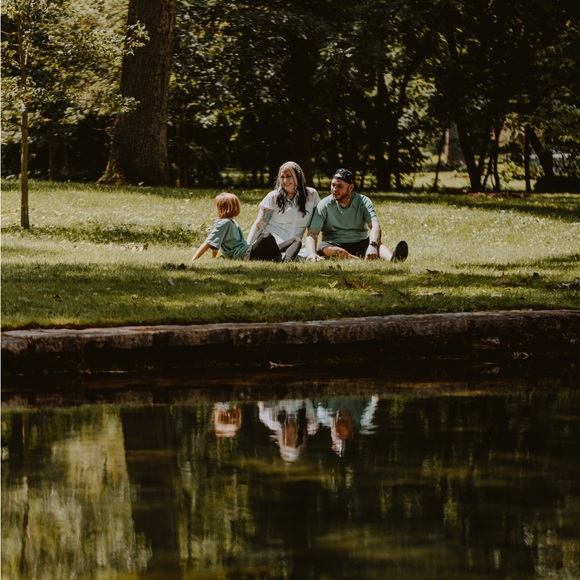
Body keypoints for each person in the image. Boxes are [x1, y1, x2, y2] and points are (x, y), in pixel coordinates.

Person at [304, 168, 408, 261]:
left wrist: (372, 245)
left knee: (377, 244)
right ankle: (357, 259)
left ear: (351, 187)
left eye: (340, 186)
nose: (334, 189)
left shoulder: (363, 201)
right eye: (333, 185)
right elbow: (312, 233)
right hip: (334, 244)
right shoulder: (324, 204)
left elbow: (375, 226)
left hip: (359, 243)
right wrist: (312, 253)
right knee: (325, 248)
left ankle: (392, 258)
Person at [247, 161, 320, 261]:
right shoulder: (273, 197)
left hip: (293, 246)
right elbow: (259, 225)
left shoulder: (312, 195)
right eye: (282, 177)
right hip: (271, 244)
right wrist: (247, 247)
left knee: (301, 247)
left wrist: (312, 252)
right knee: (270, 241)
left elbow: (313, 229)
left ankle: (283, 257)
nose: (285, 180)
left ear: (298, 177)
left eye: (288, 176)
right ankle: (282, 257)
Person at [191, 192, 282, 262]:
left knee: (285, 242)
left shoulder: (230, 221)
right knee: (266, 237)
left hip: (246, 250)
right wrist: (193, 260)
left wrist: (213, 257)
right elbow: (209, 243)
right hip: (244, 254)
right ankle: (280, 258)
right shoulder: (224, 223)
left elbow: (215, 242)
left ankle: (282, 257)